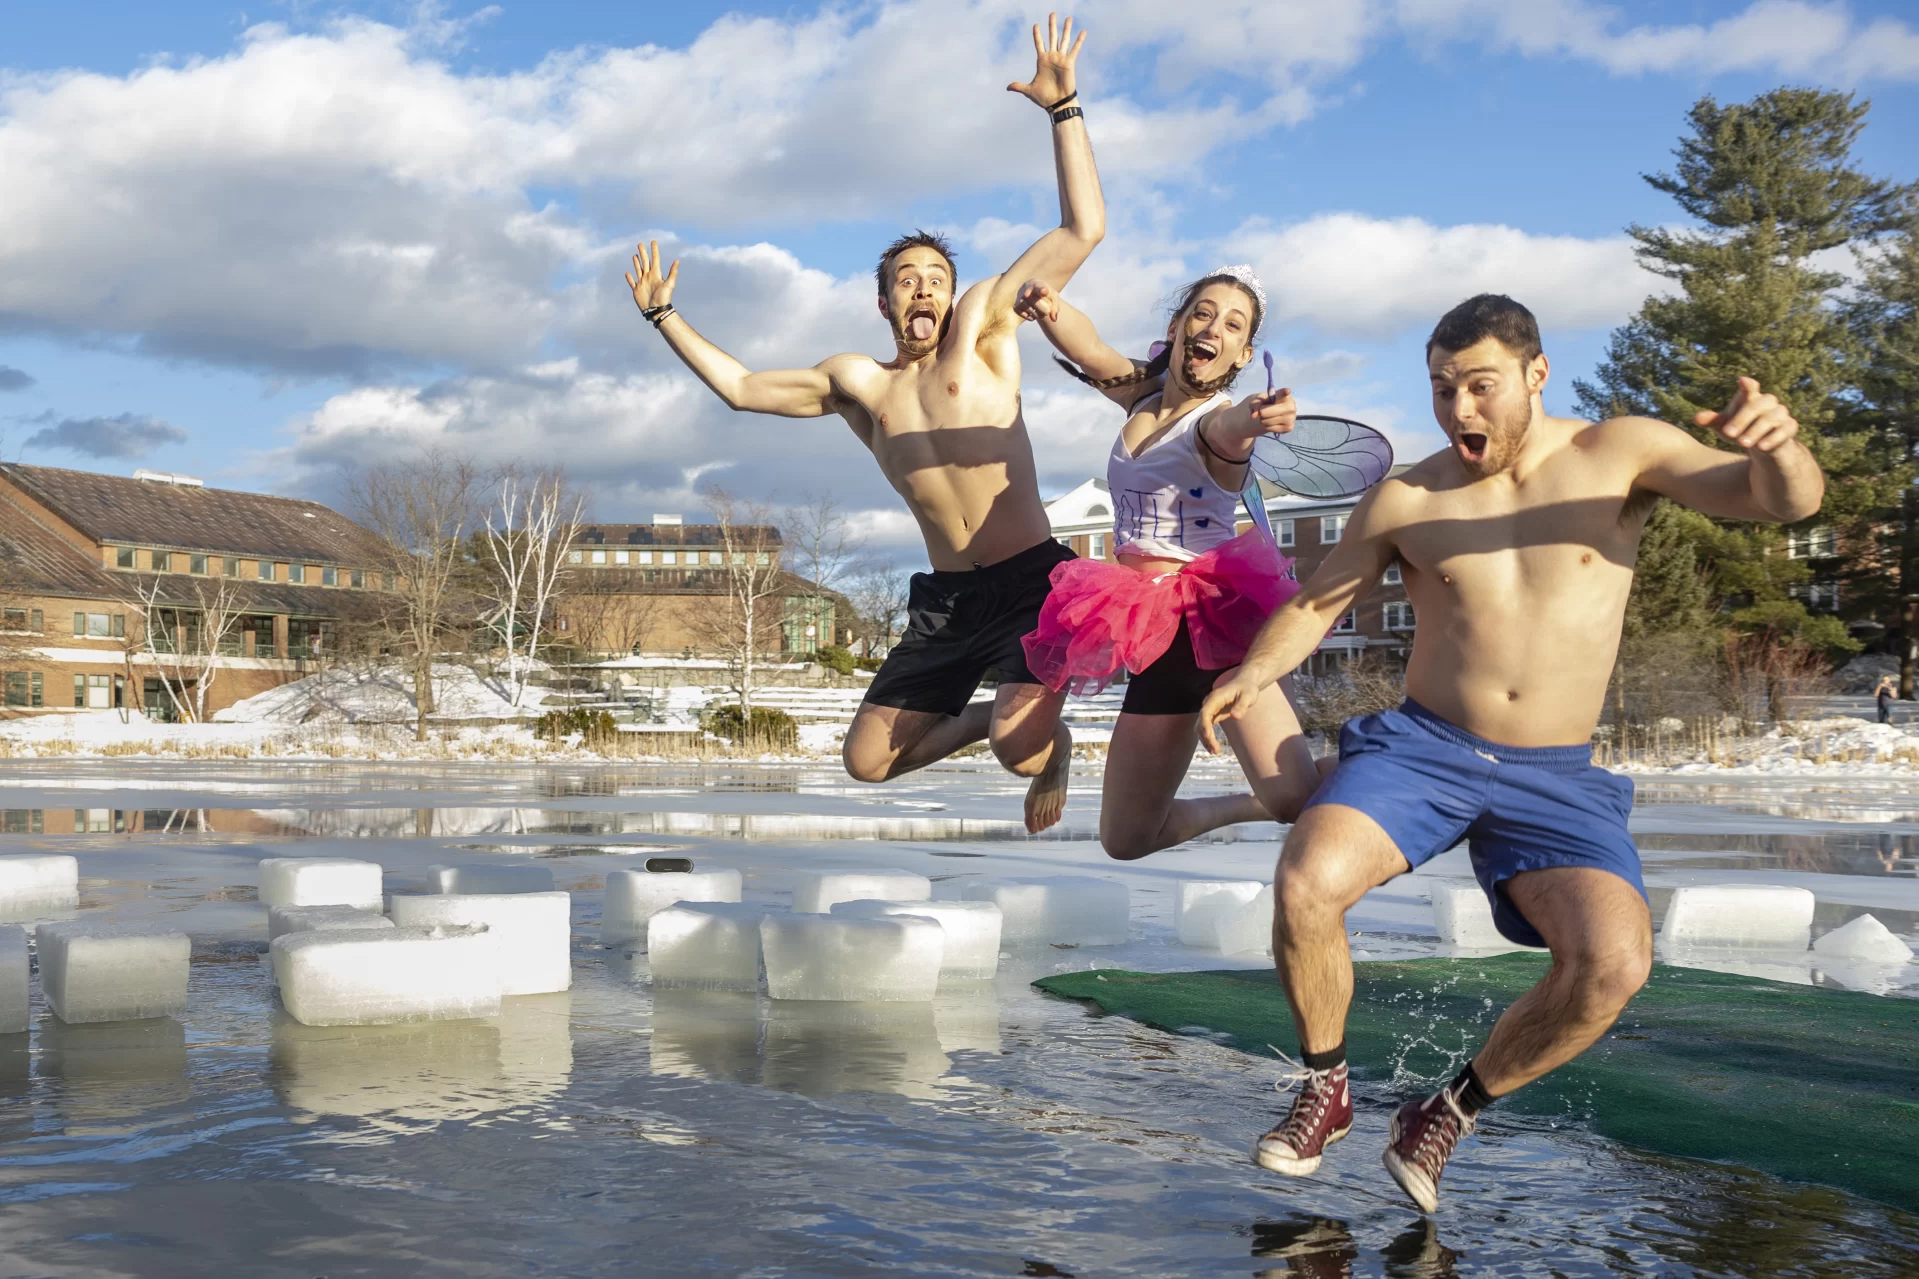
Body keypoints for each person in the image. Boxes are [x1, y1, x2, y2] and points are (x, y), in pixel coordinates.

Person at [1197, 293, 1825, 1212]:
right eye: (1442, 389)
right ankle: (1324, 1086)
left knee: (1613, 963)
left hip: (1554, 773)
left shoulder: (1620, 453)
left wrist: (1776, 446)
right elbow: (1313, 604)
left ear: (1535, 374)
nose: (1459, 411)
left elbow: (1776, 500)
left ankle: (1448, 1108)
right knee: (1306, 880)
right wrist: (1256, 672)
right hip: (1422, 747)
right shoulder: (1406, 494)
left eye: (1480, 386)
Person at [625, 14, 1104, 832]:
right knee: (868, 761)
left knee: (1018, 751)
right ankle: (990, 720)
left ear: (950, 295)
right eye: (905, 280)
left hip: (1032, 581)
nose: (922, 289)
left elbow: (1080, 230)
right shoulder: (858, 385)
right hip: (949, 600)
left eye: (934, 278)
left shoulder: (983, 329)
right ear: (882, 301)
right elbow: (740, 387)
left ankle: (1037, 739)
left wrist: (1063, 113)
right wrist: (664, 315)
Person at [1011, 267, 1321, 857]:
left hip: (1214, 622)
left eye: (1233, 325)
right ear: (1177, 327)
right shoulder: (1144, 397)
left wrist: (1259, 416)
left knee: (1294, 800)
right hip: (1149, 631)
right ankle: (1248, 805)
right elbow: (1093, 350)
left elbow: (1236, 426)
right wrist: (1051, 307)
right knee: (1126, 839)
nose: (1213, 329)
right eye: (1203, 313)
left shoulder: (1213, 423)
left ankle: (1403, 772)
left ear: (1243, 352)